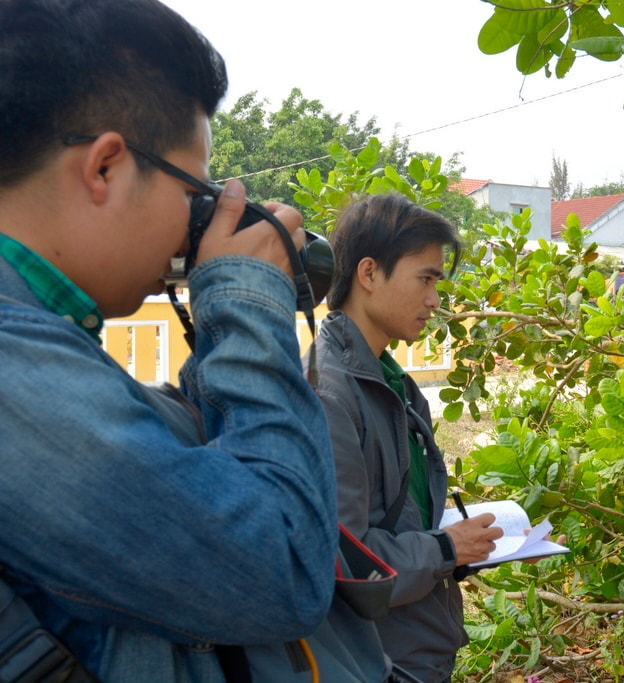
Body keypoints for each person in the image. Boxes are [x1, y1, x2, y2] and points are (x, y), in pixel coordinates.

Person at [0, 1, 344, 680]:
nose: (195, 223)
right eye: (195, 191)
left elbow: (199, 476)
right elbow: (286, 564)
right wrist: (246, 301)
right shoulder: (14, 369)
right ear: (105, 168)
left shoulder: (45, 354)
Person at [307, 193, 504, 683]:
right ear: (369, 274)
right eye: (426, 279)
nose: (435, 300)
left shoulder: (395, 384)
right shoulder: (330, 392)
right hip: (373, 661)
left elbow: (401, 520)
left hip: (415, 651)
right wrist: (443, 550)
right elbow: (344, 557)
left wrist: (463, 547)